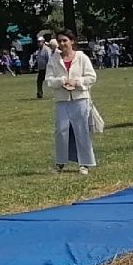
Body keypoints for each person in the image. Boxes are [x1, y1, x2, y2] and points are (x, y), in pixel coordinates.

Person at [44, 32, 97, 175]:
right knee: (61, 131)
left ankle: (85, 163)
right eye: (60, 41)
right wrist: (61, 81)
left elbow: (91, 77)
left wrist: (77, 82)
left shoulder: (81, 57)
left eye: (65, 41)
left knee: (81, 130)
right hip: (62, 100)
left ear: (72, 41)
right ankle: (60, 162)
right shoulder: (54, 59)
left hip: (80, 98)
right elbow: (49, 80)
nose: (62, 44)